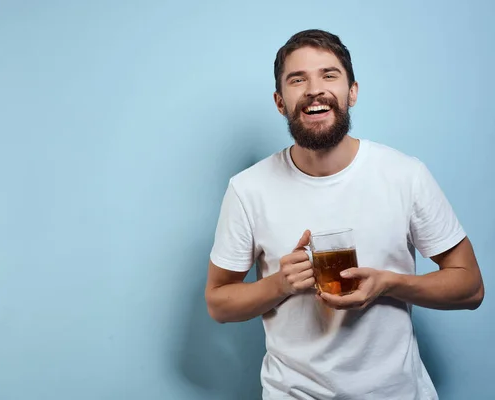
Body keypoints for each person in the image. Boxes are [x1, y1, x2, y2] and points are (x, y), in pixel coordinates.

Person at [204, 29, 484, 400]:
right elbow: (218, 303)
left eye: (328, 75)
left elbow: (471, 287)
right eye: (297, 79)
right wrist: (281, 285)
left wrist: (388, 283)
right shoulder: (247, 189)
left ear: (352, 92)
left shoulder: (404, 174)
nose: (314, 89)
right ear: (279, 101)